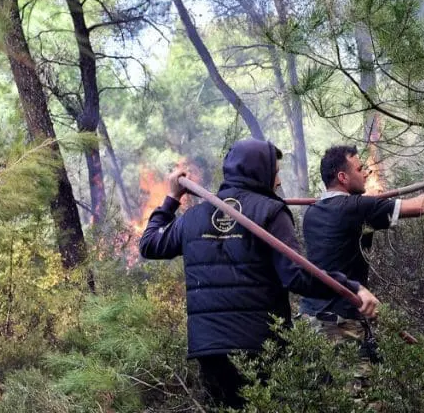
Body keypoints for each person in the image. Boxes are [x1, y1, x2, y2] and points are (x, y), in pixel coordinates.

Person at [139, 139, 380, 409]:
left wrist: (172, 199)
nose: (277, 182)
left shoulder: (194, 217)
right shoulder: (270, 212)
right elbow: (297, 276)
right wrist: (351, 287)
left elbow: (149, 243)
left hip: (209, 349)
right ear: (260, 173)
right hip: (260, 347)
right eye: (275, 172)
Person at [299, 145, 424, 359]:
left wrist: (372, 201)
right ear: (343, 177)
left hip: (310, 318)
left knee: (322, 389)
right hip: (342, 322)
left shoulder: (312, 213)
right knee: (355, 389)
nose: (366, 175)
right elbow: (420, 206)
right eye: (360, 170)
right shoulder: (359, 207)